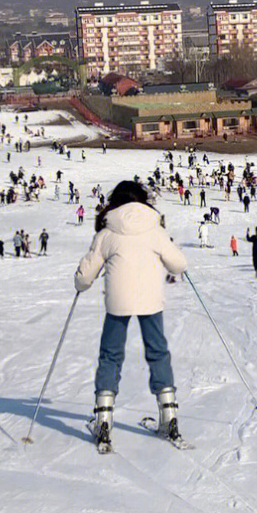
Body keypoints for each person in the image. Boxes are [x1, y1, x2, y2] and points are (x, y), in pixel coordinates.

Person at [74, 180, 187, 450]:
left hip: (118, 302)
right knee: (157, 352)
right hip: (150, 301)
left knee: (111, 355)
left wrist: (80, 284)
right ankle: (169, 415)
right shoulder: (154, 228)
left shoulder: (107, 231)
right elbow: (179, 264)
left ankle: (103, 418)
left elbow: (86, 275)